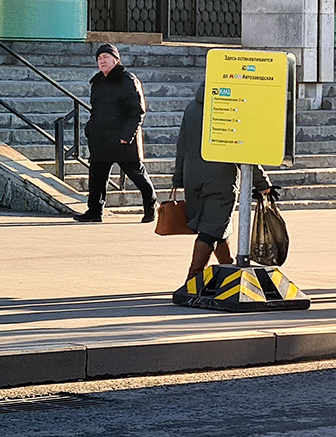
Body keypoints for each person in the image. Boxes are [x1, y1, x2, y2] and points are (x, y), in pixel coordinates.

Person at [173, 82, 273, 281]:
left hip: (193, 178)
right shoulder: (229, 107)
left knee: (217, 226)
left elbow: (181, 144)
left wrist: (179, 177)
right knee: (210, 231)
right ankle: (192, 279)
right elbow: (240, 149)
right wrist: (262, 183)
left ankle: (229, 270)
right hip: (219, 180)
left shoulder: (192, 107)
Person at [74, 44, 157, 223]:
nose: (102, 61)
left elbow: (138, 111)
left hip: (123, 139)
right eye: (99, 58)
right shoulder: (97, 82)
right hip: (101, 139)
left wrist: (127, 136)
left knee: (137, 175)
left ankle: (151, 207)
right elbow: (95, 110)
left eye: (106, 57)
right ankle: (94, 212)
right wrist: (91, 129)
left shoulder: (127, 79)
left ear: (116, 60)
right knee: (97, 177)